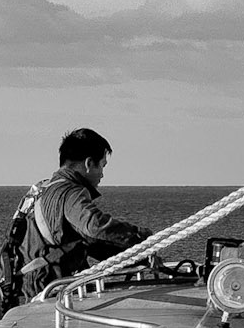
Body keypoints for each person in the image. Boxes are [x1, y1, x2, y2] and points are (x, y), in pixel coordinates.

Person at [11, 128, 150, 298]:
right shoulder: (70, 193)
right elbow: (94, 227)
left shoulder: (43, 189)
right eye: (102, 166)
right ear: (89, 163)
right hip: (43, 288)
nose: (103, 174)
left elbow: (86, 241)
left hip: (23, 285)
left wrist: (137, 254)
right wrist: (143, 238)